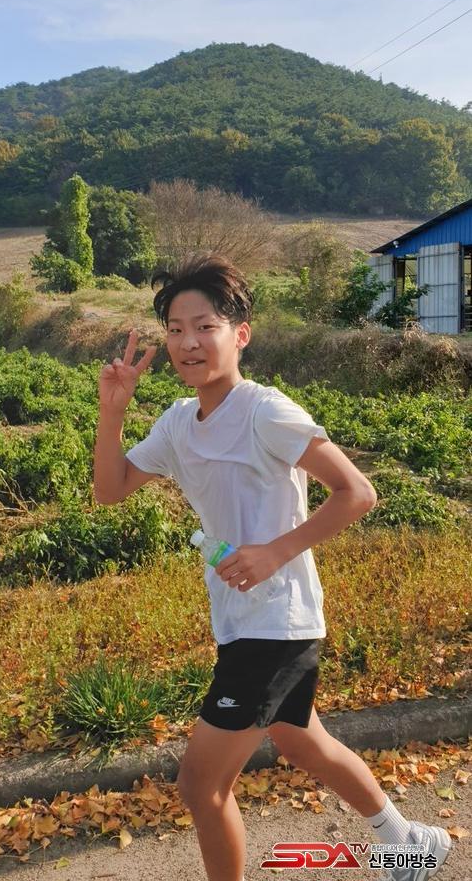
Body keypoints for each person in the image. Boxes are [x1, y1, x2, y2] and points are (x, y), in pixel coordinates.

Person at [93, 252, 452, 881]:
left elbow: (357, 492)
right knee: (299, 738)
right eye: (175, 329)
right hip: (242, 618)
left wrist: (274, 551)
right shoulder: (177, 424)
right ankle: (409, 843)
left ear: (241, 334)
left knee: (201, 785)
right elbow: (110, 489)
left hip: (277, 621)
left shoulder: (265, 411)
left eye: (204, 326)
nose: (188, 342)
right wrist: (114, 410)